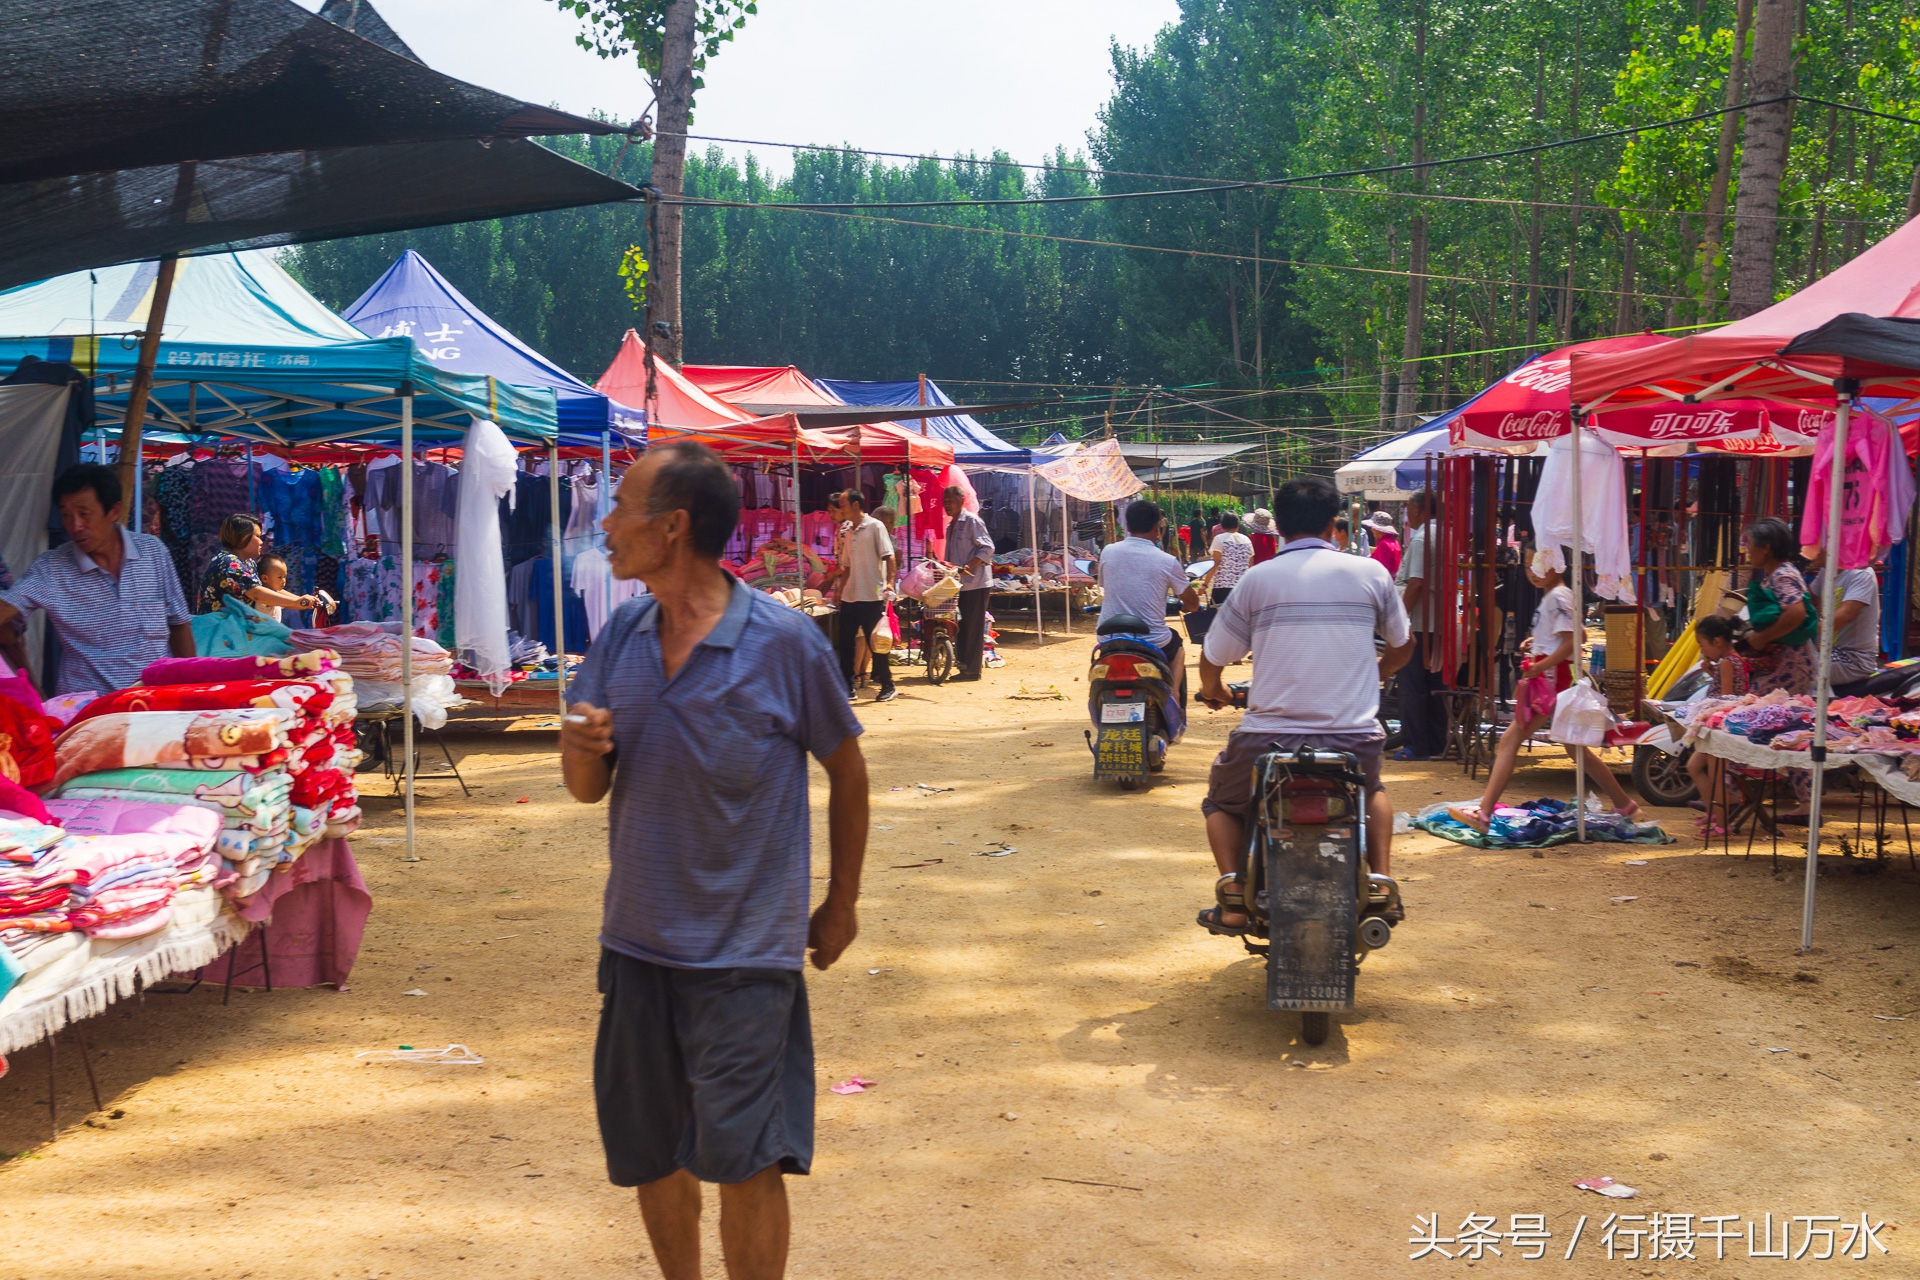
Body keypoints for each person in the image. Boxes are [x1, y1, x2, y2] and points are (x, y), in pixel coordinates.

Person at [561, 440, 869, 1280]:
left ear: (673, 528)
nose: (607, 522)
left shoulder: (784, 642)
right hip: (636, 947)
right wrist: (581, 748)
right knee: (651, 1154)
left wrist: (841, 901)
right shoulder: (620, 635)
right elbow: (586, 789)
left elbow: (848, 771)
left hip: (745, 958)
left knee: (747, 1159)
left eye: (623, 506)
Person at [1194, 475, 1414, 933]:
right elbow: (1402, 645)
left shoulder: (1258, 579)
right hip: (1353, 740)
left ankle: (1234, 897)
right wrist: (1378, 673)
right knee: (1372, 791)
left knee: (1222, 803)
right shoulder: (1370, 572)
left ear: (1279, 529)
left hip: (1266, 743)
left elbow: (1213, 658)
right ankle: (1381, 883)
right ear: (1335, 524)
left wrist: (1214, 690)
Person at [1445, 546, 1641, 834]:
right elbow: (1579, 634)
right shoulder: (1557, 596)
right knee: (1576, 750)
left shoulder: (1558, 596)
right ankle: (1624, 803)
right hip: (1552, 677)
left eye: (1538, 564)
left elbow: (1571, 641)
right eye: (1528, 565)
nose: (1532, 571)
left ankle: (1484, 812)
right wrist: (1536, 644)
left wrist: (1540, 663)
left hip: (1548, 680)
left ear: (1558, 565)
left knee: (1510, 741)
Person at [0, 463, 195, 694]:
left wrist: (191, 688)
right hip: (90, 710)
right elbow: (6, 609)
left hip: (156, 700)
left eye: (84, 514)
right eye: (66, 515)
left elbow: (179, 624)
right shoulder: (52, 568)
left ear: (113, 511)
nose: (75, 526)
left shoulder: (152, 552)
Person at [1097, 500, 1202, 706]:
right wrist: (1191, 606)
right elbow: (1192, 602)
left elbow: (1105, 585)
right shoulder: (1167, 561)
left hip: (1109, 635)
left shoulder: (1107, 552)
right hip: (1152, 639)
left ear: (1126, 526)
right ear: (1157, 527)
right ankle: (1174, 695)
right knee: (1178, 645)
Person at [1391, 490, 1446, 760]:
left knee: (1412, 686)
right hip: (1437, 622)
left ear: (1416, 509)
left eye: (1407, 509)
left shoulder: (1424, 538)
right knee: (1434, 686)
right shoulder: (1446, 534)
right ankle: (1435, 742)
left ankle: (1417, 745)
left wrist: (1398, 619)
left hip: (1422, 623)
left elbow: (1417, 583)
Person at [1685, 614, 1751, 838]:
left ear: (1717, 641)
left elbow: (1724, 700)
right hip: (1720, 726)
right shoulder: (1731, 661)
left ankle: (1723, 826)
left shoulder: (1726, 663)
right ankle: (1714, 812)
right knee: (1693, 767)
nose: (1702, 650)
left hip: (1719, 728)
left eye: (1702, 644)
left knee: (1716, 775)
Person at [831, 489, 898, 703]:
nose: (841, 509)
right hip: (851, 596)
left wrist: (889, 582)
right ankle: (846, 686)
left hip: (872, 594)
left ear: (856, 505)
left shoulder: (876, 527)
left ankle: (887, 684)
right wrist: (840, 590)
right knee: (846, 642)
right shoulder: (848, 530)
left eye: (843, 505)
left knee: (876, 641)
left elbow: (889, 557)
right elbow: (847, 565)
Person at [199, 514, 319, 616]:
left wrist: (300, 600)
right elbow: (256, 593)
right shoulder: (228, 562)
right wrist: (296, 602)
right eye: (257, 536)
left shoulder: (248, 562)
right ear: (242, 538)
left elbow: (269, 589)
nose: (261, 541)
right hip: (220, 632)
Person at [939, 485, 993, 681]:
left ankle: (972, 670)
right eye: (944, 502)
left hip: (976, 583)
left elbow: (987, 548)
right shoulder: (950, 527)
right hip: (958, 584)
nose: (947, 505)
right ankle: (963, 666)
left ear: (961, 501)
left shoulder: (972, 521)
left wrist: (969, 565)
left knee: (973, 626)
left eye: (950, 501)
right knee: (960, 624)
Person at [1806, 551, 1881, 691]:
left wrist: (1800, 628)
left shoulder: (1861, 574)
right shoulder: (1826, 571)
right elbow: (1806, 600)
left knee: (1798, 668)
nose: (1806, 551)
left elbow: (1845, 615)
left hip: (1852, 659)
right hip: (1828, 652)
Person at [1204, 511, 1254, 605]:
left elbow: (1215, 563)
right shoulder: (1247, 540)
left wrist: (1205, 584)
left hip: (1222, 587)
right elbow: (1250, 564)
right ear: (1237, 525)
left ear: (1222, 526)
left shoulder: (1219, 539)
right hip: (1242, 587)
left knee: (1217, 617)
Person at [1365, 511, 1402, 578]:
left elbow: (1383, 569)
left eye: (1373, 527)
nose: (1371, 529)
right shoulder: (1395, 542)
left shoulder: (1384, 544)